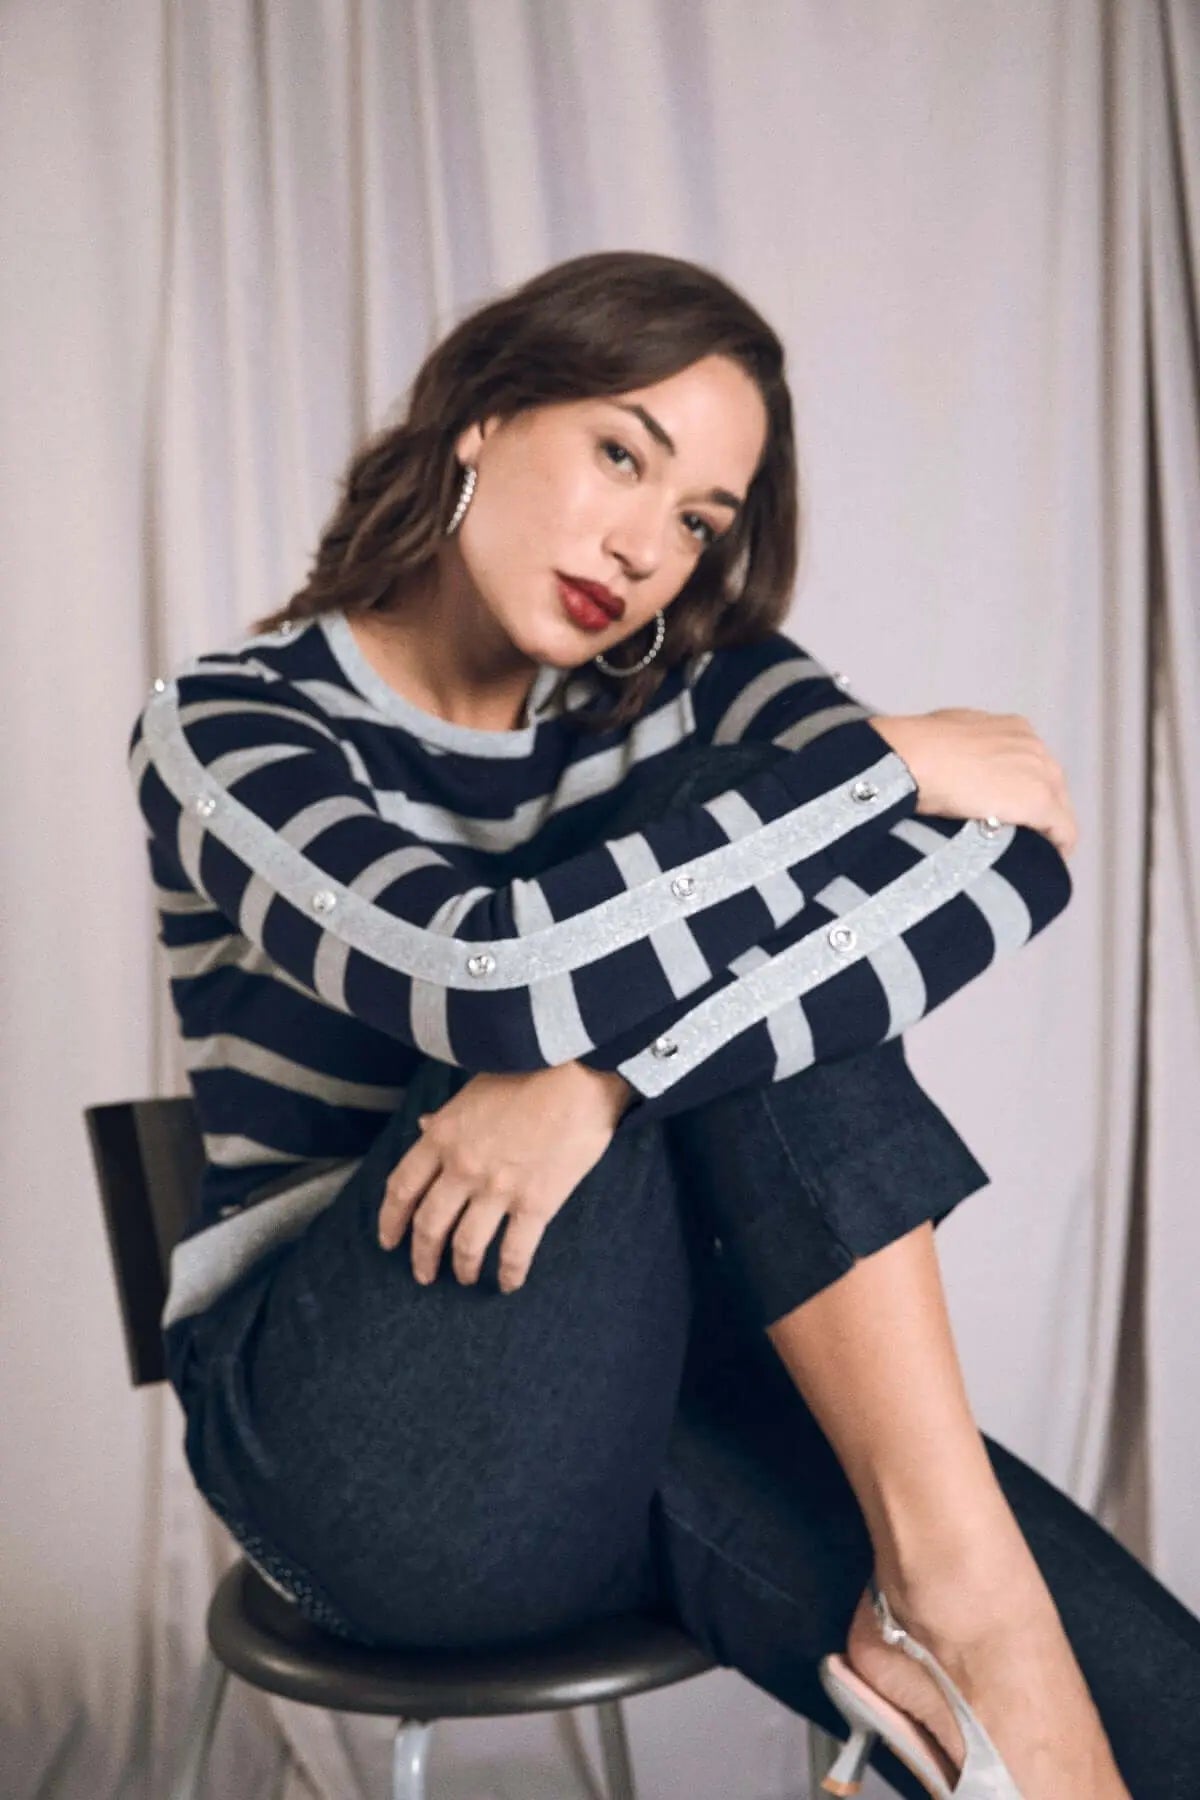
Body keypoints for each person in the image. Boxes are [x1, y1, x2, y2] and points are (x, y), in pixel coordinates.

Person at [128, 250, 1200, 1799]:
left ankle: (958, 1605)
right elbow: (478, 974)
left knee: (1157, 1714)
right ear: (482, 418)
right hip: (358, 1443)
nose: (647, 548)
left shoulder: (706, 685)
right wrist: (875, 766)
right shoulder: (227, 728)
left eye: (701, 519)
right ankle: (964, 1604)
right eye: (622, 455)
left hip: (641, 1391)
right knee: (746, 834)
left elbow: (1010, 857)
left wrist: (604, 1080)